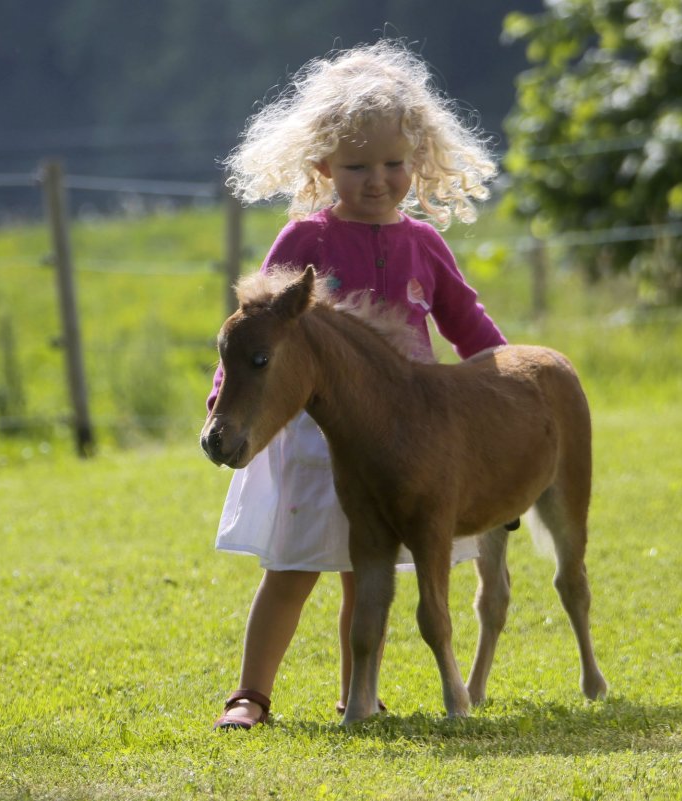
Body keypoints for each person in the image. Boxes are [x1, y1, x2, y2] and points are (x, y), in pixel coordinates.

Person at [208, 40, 506, 730]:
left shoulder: (425, 245)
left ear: (419, 160)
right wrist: (227, 386)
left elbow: (469, 322)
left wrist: (505, 386)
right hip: (312, 437)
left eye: (395, 163)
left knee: (363, 571)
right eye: (358, 165)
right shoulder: (304, 240)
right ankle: (250, 694)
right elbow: (256, 331)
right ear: (322, 167)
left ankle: (358, 693)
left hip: (406, 441)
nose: (378, 179)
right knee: (290, 570)